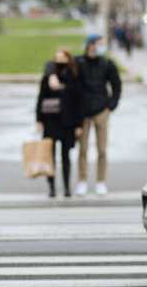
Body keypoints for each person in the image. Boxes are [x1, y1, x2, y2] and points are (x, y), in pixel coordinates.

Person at [75, 34, 121, 197]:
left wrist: (111, 106)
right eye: (98, 43)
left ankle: (101, 181)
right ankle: (82, 181)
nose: (101, 46)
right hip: (83, 113)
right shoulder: (78, 62)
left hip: (101, 111)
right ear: (90, 45)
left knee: (102, 149)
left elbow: (116, 85)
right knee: (83, 149)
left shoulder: (107, 63)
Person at [35, 48, 83, 198]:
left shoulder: (74, 75)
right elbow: (41, 98)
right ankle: (52, 187)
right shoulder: (49, 76)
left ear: (68, 59)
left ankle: (67, 187)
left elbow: (78, 102)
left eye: (63, 58)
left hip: (67, 122)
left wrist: (79, 125)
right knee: (50, 156)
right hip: (50, 121)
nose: (60, 61)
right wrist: (38, 120)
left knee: (66, 156)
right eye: (57, 58)